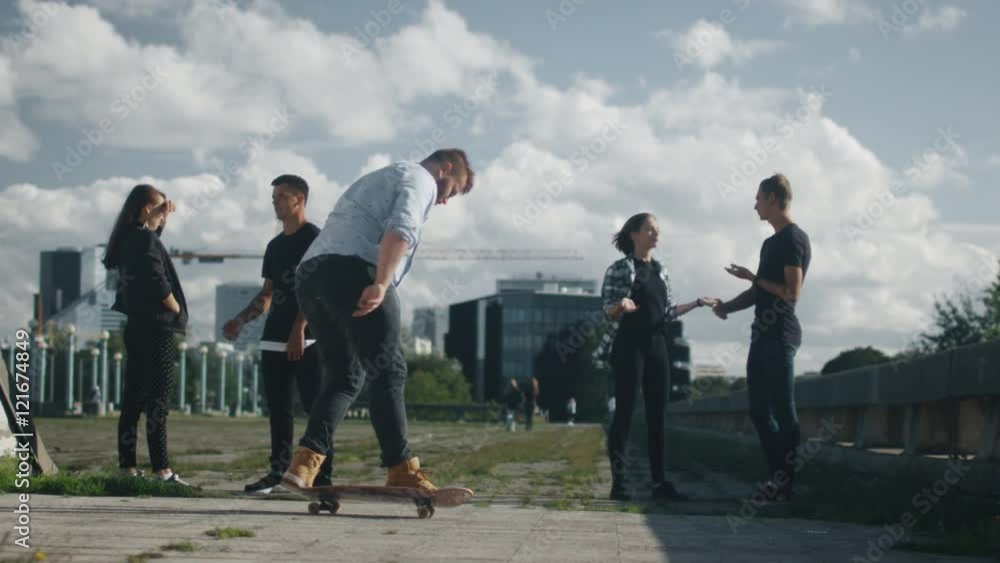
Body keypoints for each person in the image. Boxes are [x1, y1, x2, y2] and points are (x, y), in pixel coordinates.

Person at [282, 149, 474, 492]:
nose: (445, 200)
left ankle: (304, 464)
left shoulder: (378, 177)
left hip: (310, 276)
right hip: (356, 269)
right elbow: (400, 230)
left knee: (344, 377)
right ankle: (401, 468)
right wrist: (382, 283)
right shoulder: (421, 179)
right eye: (452, 190)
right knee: (388, 369)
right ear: (445, 169)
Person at [595, 212, 720, 502]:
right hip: (628, 346)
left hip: (657, 346)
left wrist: (697, 303)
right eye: (650, 229)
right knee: (624, 413)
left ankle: (659, 483)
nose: (656, 234)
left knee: (657, 416)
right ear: (634, 234)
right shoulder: (619, 268)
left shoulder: (662, 271)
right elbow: (607, 310)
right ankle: (619, 484)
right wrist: (621, 304)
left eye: (657, 230)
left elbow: (668, 312)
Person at [222, 174, 333, 494]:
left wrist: (299, 328)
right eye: (274, 197)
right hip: (272, 338)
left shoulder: (316, 239)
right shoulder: (275, 246)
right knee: (279, 411)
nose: (275, 202)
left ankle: (322, 478)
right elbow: (267, 294)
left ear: (300, 199)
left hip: (307, 339)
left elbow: (316, 290)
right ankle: (277, 473)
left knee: (316, 410)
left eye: (282, 196)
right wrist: (241, 319)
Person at [713, 174, 811, 500]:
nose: (754, 205)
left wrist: (753, 277)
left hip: (782, 334)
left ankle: (785, 484)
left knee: (783, 409)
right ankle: (776, 479)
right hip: (762, 335)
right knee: (758, 411)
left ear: (772, 199)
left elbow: (792, 294)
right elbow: (759, 291)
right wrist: (726, 307)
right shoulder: (770, 243)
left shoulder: (793, 239)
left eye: (758, 198)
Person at [104, 184, 189, 485]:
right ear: (145, 208)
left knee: (134, 400)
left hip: (137, 327)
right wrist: (175, 307)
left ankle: (127, 467)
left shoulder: (131, 238)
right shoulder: (144, 239)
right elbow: (156, 278)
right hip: (157, 328)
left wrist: (157, 218)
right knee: (158, 402)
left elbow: (149, 252)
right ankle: (162, 471)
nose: (165, 215)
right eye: (160, 209)